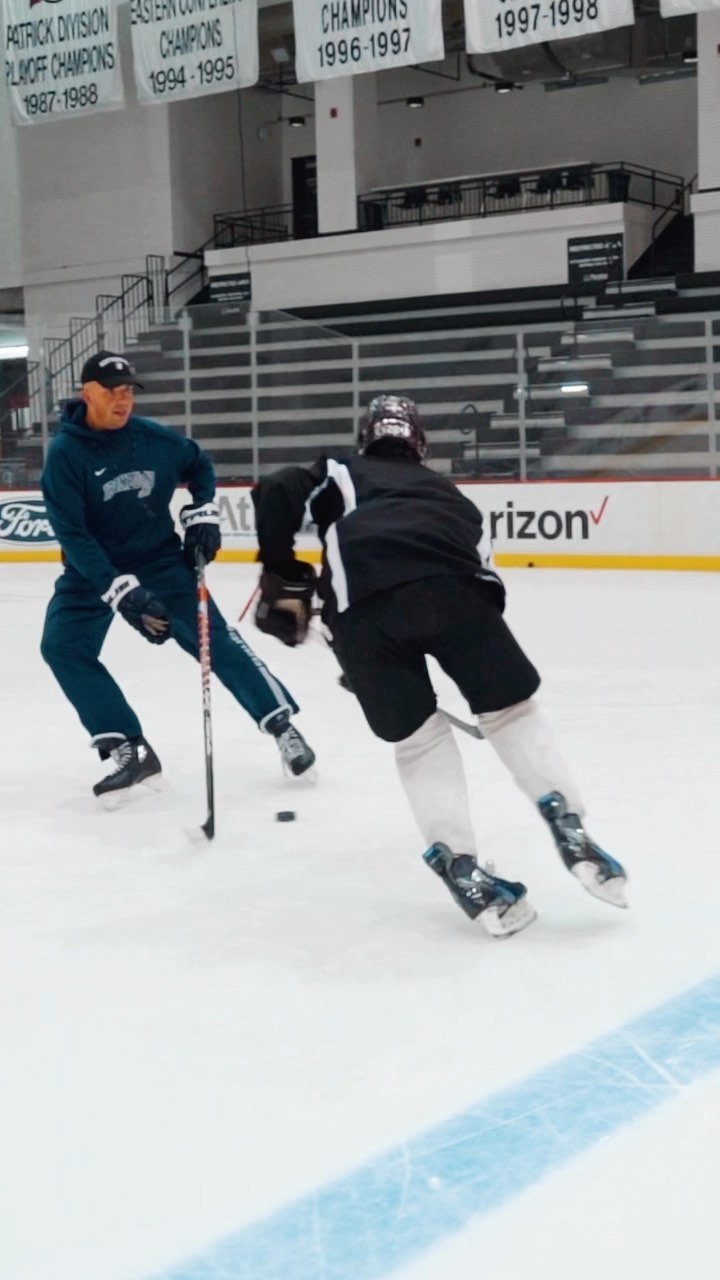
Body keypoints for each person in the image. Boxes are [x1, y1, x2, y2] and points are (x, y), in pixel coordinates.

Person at [250, 393, 627, 938]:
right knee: (510, 712)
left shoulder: (339, 470)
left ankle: (462, 870)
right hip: (459, 597)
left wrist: (282, 571)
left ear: (365, 439)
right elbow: (489, 581)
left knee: (419, 740)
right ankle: (566, 820)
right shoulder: (451, 495)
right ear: (420, 444)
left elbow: (277, 489)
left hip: (365, 616)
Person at [40, 350, 315, 801]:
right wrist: (119, 590)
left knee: (213, 640)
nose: (123, 400)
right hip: (92, 570)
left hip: (160, 562)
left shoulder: (155, 440)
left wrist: (203, 511)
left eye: (128, 391)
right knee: (62, 647)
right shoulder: (65, 456)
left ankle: (282, 725)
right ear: (87, 393)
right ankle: (129, 748)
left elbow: (199, 464)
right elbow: (73, 534)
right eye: (112, 391)